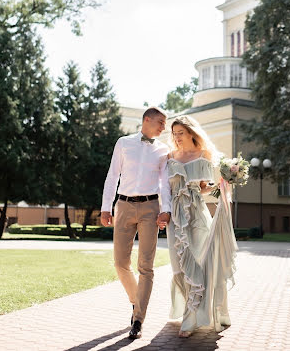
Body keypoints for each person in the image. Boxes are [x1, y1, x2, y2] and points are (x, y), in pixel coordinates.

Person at [157, 115, 238, 338]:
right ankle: (189, 310)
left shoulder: (205, 155)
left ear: (192, 133)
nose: (176, 138)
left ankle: (192, 318)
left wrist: (225, 182)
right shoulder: (170, 156)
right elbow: (164, 188)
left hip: (197, 215)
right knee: (179, 265)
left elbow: (204, 187)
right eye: (174, 134)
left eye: (180, 133)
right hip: (176, 218)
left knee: (200, 263)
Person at [100, 107, 171, 340]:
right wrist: (105, 207)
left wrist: (165, 210)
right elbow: (112, 176)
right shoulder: (123, 143)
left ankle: (138, 319)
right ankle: (135, 300)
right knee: (120, 263)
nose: (163, 128)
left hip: (151, 208)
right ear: (147, 120)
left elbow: (165, 184)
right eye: (160, 123)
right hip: (124, 206)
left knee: (146, 266)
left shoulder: (163, 150)